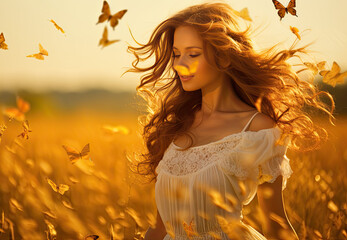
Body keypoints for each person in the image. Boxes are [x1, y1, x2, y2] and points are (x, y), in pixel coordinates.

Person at [125, 2, 335, 240]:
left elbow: (277, 225)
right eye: (176, 54)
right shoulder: (176, 127)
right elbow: (160, 228)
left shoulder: (259, 130)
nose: (179, 64)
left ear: (224, 58)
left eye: (193, 54)